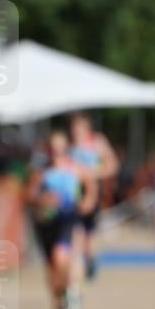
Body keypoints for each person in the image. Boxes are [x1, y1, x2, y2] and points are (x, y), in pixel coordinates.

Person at [27, 130, 96, 309]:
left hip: (67, 217)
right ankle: (58, 305)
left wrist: (87, 202)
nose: (55, 152)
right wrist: (42, 199)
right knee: (50, 268)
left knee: (60, 257)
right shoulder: (42, 172)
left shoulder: (75, 168)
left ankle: (70, 292)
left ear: (65, 149)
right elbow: (30, 194)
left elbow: (91, 186)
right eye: (52, 148)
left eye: (59, 148)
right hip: (45, 222)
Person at [68, 113, 117, 280]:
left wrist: (94, 173)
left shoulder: (97, 141)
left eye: (79, 127)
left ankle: (90, 259)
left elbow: (112, 165)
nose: (76, 131)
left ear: (87, 127)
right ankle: (80, 264)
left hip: (92, 191)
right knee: (77, 232)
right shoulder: (69, 145)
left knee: (87, 233)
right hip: (72, 192)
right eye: (74, 127)